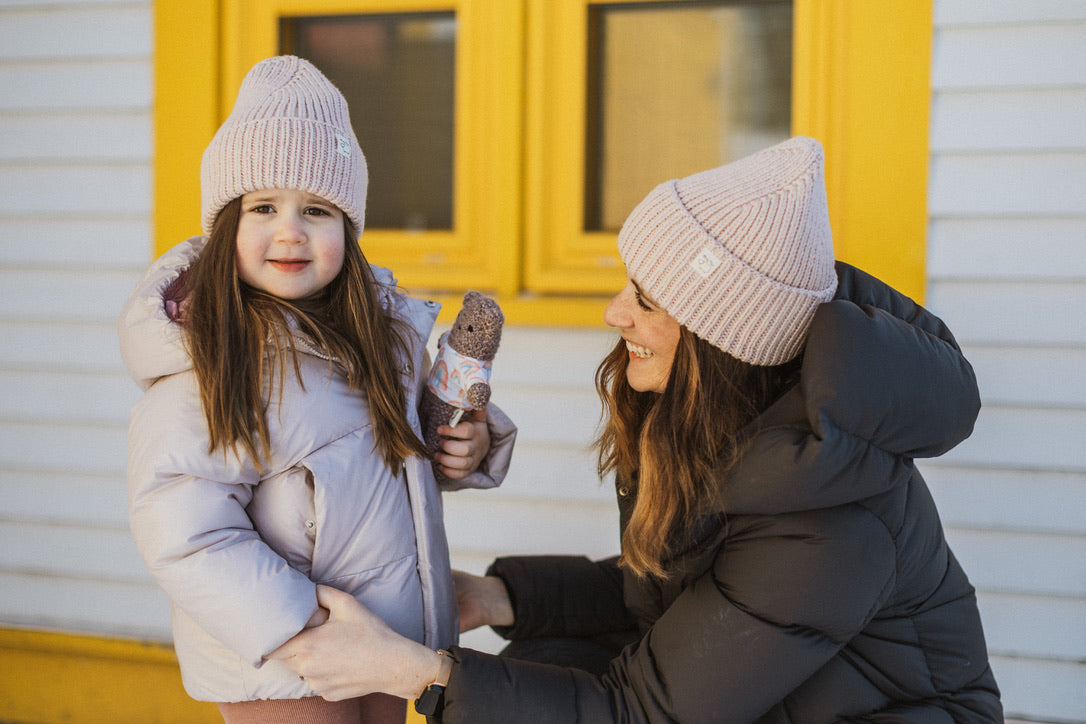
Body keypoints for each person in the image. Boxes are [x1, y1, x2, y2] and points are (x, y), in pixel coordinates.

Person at [271, 136, 1003, 722]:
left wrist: (415, 673)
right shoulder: (722, 422)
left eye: (645, 301)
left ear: (722, 344)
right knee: (547, 656)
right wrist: (499, 598)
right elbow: (680, 595)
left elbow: (644, 713)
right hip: (782, 696)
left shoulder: (827, 527)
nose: (614, 314)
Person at [118, 55, 516, 723]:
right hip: (281, 656)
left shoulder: (381, 340)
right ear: (225, 225)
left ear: (348, 228)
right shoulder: (207, 358)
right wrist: (304, 625)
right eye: (263, 207)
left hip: (385, 638)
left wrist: (463, 448)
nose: (290, 231)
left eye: (317, 209)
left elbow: (387, 461)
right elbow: (183, 528)